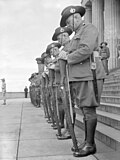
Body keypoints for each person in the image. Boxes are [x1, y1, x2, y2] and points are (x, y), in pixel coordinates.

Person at [59, 5, 106, 157]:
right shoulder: (76, 35)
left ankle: (90, 144)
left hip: (89, 75)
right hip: (79, 77)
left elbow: (86, 49)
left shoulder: (89, 29)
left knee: (89, 110)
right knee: (85, 111)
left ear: (76, 17)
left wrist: (68, 57)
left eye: (69, 22)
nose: (68, 26)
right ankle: (87, 141)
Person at [52, 26, 73, 140]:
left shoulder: (71, 46)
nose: (61, 41)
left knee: (69, 106)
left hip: (71, 80)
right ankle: (68, 129)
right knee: (66, 106)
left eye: (62, 37)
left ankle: (70, 130)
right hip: (65, 81)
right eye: (59, 39)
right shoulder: (64, 49)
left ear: (66, 36)